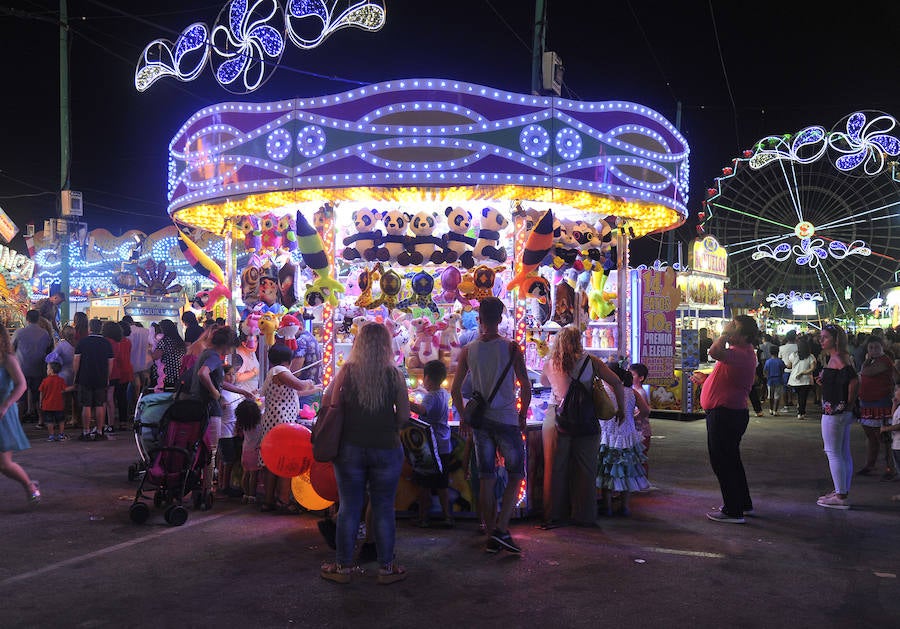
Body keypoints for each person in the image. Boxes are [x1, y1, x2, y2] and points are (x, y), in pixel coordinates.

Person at [320, 323, 409, 585]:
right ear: (387, 345)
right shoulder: (394, 374)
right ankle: (387, 568)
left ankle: (343, 568)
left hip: (349, 448)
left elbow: (330, 403)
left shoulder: (347, 372)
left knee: (349, 508)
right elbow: (403, 416)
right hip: (386, 449)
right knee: (383, 508)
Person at [451, 297, 531, 553]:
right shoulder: (511, 348)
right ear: (500, 318)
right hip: (507, 419)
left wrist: (464, 415)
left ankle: (490, 531)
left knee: (485, 477)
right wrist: (523, 414)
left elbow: (455, 390)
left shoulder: (469, 350)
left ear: (479, 319)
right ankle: (502, 528)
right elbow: (525, 385)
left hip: (481, 423)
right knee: (516, 473)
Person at [540, 326, 624, 527]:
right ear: (579, 340)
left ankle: (553, 516)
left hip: (557, 418)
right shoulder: (591, 361)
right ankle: (584, 515)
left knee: (554, 469)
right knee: (586, 469)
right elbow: (617, 382)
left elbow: (544, 383)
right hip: (586, 419)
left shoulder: (551, 363)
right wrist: (620, 409)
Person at [693, 315, 760, 524]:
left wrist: (722, 334)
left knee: (722, 462)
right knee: (732, 461)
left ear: (744, 336)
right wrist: (707, 380)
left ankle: (733, 510)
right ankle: (742, 502)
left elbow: (713, 352)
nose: (729, 330)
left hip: (725, 414)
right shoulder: (740, 354)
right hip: (728, 413)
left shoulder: (740, 354)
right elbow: (725, 377)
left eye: (734, 327)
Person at [194, 327, 254, 507]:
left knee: (207, 451)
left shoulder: (207, 353)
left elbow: (218, 382)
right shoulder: (212, 357)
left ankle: (204, 487)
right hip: (209, 409)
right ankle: (207, 490)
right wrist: (215, 394)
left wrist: (241, 390)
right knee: (211, 453)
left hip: (201, 407)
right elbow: (203, 374)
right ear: (226, 346)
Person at [258, 343, 319, 513]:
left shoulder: (275, 372)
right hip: (281, 421)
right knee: (285, 460)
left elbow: (294, 392)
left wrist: (313, 389)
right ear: (288, 360)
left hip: (274, 421)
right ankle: (283, 500)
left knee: (272, 462)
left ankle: (268, 500)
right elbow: (299, 385)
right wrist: (308, 381)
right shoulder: (280, 370)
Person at [815, 323, 859, 510]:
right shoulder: (838, 357)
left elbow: (854, 380)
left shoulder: (839, 358)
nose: (821, 340)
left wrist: (847, 403)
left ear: (835, 339)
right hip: (839, 410)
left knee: (833, 452)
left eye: (825, 337)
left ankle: (841, 496)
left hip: (835, 412)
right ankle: (841, 490)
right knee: (842, 452)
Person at [597, 366, 649, 516]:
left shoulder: (603, 392)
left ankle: (607, 507)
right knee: (627, 471)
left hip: (607, 436)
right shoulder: (631, 392)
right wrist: (633, 418)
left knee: (606, 471)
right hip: (627, 436)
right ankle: (625, 507)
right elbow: (646, 411)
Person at [408, 359, 454, 528]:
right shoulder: (443, 393)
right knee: (442, 485)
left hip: (429, 446)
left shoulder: (430, 397)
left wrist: (405, 402)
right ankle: (448, 516)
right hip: (444, 445)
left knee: (424, 484)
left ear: (427, 378)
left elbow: (422, 410)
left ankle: (423, 518)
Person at [0, 326, 41, 504]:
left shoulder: (8, 359)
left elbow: (21, 385)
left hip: (3, 414)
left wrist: (5, 405)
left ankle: (29, 485)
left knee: (4, 464)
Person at [855, 335, 896, 479]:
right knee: (871, 437)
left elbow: (866, 372)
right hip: (867, 402)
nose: (873, 350)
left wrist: (865, 361)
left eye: (876, 347)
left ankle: (890, 468)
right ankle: (870, 465)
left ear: (882, 347)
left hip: (881, 403)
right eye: (870, 347)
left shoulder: (885, 361)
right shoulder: (872, 361)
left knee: (885, 438)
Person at [73, 318, 114, 441]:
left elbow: (76, 360)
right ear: (100, 328)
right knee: (99, 404)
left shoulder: (82, 342)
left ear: (89, 328)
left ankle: (86, 431)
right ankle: (99, 431)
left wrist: (76, 376)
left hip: (85, 377)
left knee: (86, 405)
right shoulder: (106, 343)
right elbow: (110, 362)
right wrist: (107, 377)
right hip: (101, 377)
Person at [12, 309, 53, 422]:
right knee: (38, 396)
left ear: (27, 319)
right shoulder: (44, 333)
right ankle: (41, 421)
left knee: (20, 398)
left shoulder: (19, 332)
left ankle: (18, 422)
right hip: (39, 369)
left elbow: (11, 348)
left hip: (21, 369)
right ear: (38, 318)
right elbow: (48, 347)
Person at [215, 364, 245, 498]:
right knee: (228, 459)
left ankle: (224, 484)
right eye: (228, 374)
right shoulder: (219, 392)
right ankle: (224, 486)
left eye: (233, 374)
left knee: (228, 459)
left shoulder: (236, 391)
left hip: (234, 430)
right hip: (224, 430)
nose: (232, 377)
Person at [102, 320, 132, 433]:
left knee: (109, 398)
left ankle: (108, 422)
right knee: (122, 398)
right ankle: (122, 422)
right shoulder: (127, 341)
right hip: (125, 370)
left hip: (114, 371)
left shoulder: (107, 342)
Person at [236, 398, 263, 505]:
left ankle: (245, 495)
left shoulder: (243, 424)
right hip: (254, 452)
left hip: (245, 451)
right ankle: (252, 496)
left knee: (246, 474)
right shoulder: (258, 424)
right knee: (253, 475)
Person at [290, 324, 323, 408]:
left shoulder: (301, 341)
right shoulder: (311, 337)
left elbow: (295, 371)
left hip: (305, 392)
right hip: (315, 389)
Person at [629, 363, 652, 476]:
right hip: (638, 430)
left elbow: (643, 412)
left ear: (641, 378)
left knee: (641, 456)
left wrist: (631, 417)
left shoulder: (640, 393)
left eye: (632, 374)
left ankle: (644, 481)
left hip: (642, 431)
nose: (629, 376)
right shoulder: (633, 391)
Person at [151, 319, 186, 391]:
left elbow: (156, 356)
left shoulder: (165, 341)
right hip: (178, 373)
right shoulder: (179, 341)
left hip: (167, 375)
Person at [786, 338, 817, 419]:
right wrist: (803, 372)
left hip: (794, 380)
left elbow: (789, 366)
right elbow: (813, 368)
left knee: (798, 395)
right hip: (806, 380)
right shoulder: (811, 356)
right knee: (803, 397)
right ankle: (801, 412)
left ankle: (799, 408)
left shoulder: (793, 355)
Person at [880, 384, 900, 502]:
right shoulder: (898, 407)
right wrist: (894, 404)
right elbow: (894, 417)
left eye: (897, 391)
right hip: (896, 443)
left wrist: (885, 429)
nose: (895, 392)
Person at [39, 361, 68, 442]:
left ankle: (51, 436)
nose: (46, 370)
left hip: (47, 405)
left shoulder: (45, 381)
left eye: (47, 368)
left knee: (49, 421)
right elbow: (64, 390)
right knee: (61, 420)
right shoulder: (61, 380)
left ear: (51, 370)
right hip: (58, 405)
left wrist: (41, 402)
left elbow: (41, 392)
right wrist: (73, 387)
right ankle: (61, 434)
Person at [763, 345, 786, 416]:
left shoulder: (768, 361)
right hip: (778, 379)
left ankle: (771, 409)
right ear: (778, 352)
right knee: (777, 396)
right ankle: (775, 411)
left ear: (770, 352)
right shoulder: (780, 361)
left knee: (770, 395)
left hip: (770, 380)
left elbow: (765, 371)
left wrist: (767, 377)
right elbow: (783, 370)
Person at [779, 330, 799, 407]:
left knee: (785, 388)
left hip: (785, 370)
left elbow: (780, 358)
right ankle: (795, 403)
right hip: (796, 370)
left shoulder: (781, 348)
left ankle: (785, 405)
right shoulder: (798, 347)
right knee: (796, 388)